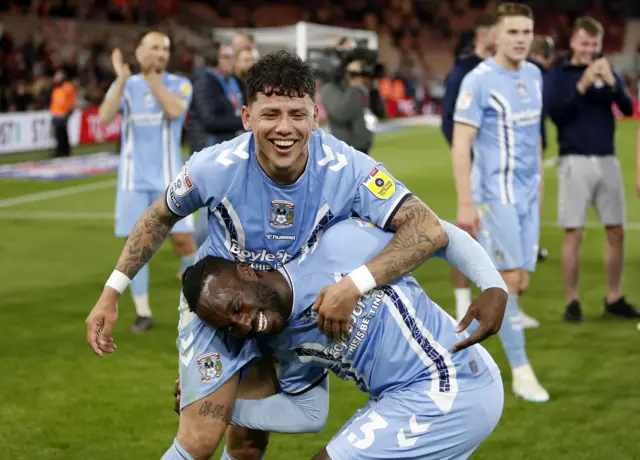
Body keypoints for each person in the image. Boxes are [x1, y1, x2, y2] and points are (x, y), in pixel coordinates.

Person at [85, 50, 506, 460]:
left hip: (291, 312)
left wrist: (356, 285)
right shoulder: (214, 167)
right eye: (270, 115)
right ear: (247, 117)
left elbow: (427, 227)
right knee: (200, 438)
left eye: (296, 114)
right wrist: (113, 289)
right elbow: (159, 217)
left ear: (315, 115)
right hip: (219, 298)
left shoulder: (347, 169)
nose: (283, 128)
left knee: (249, 442)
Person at [179, 217, 507, 460]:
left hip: (452, 382)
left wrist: (492, 285)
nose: (245, 323)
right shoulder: (282, 341)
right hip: (402, 400)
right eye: (231, 326)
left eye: (237, 307)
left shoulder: (337, 247)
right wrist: (217, 407)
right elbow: (309, 413)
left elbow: (435, 231)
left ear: (248, 271)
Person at [452, 3, 549, 402]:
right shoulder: (479, 80)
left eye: (526, 31)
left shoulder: (534, 74)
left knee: (521, 281)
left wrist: (540, 183)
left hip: (528, 196)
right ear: (496, 35)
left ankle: (463, 345)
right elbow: (461, 144)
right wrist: (466, 203)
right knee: (508, 283)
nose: (522, 39)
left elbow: (536, 137)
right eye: (513, 32)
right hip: (495, 197)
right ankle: (521, 372)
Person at [97, 31, 198, 333]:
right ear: (139, 51)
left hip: (170, 180)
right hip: (133, 181)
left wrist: (153, 81)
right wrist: (121, 78)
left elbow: (175, 110)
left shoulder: (179, 84)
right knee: (136, 246)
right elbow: (103, 117)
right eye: (154, 47)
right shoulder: (126, 85)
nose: (160, 53)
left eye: (165, 49)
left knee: (184, 241)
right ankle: (143, 312)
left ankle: (197, 306)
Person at [544, 17, 638, 322]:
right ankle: (572, 301)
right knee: (574, 232)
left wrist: (612, 84)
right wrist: (583, 84)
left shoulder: (608, 71)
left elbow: (627, 110)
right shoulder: (560, 74)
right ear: (573, 42)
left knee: (616, 230)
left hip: (607, 159)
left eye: (594, 45)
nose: (589, 50)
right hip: (574, 159)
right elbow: (556, 114)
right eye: (584, 43)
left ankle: (614, 297)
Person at [440, 12, 496, 323]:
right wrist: (465, 153)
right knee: (467, 232)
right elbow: (448, 120)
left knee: (500, 237)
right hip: (475, 166)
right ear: (486, 34)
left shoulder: (499, 70)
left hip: (500, 169)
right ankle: (462, 306)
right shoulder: (464, 71)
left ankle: (508, 306)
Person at [49, 69, 77, 158]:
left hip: (64, 113)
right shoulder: (56, 88)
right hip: (56, 113)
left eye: (58, 76)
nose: (56, 78)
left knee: (62, 133)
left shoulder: (68, 87)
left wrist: (69, 111)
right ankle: (61, 150)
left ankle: (64, 150)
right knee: (58, 133)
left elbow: (70, 100)